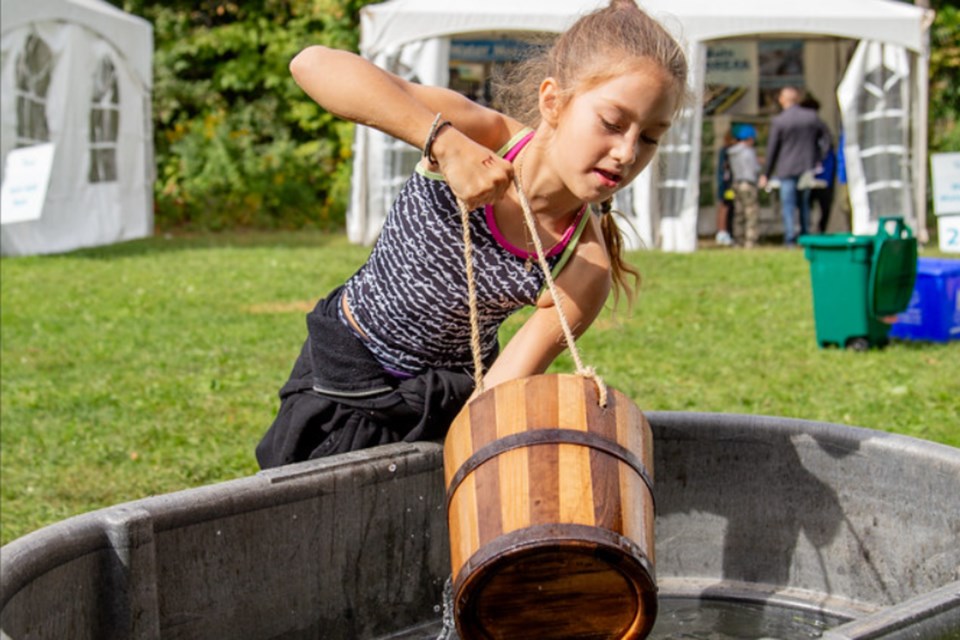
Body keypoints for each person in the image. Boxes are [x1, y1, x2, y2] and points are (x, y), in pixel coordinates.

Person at [255, 0, 689, 468]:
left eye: (649, 138)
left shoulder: (584, 267)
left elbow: (490, 403)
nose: (627, 153)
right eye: (612, 123)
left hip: (437, 412)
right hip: (340, 374)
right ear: (553, 101)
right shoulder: (482, 134)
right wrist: (441, 140)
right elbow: (312, 63)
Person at [758, 86, 832, 246]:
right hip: (806, 167)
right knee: (804, 203)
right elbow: (827, 138)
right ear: (797, 99)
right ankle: (805, 236)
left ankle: (790, 238)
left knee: (788, 205)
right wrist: (819, 158)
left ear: (782, 100)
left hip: (786, 168)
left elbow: (772, 149)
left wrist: (766, 173)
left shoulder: (779, 121)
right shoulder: (811, 117)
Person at [726, 124, 761, 248]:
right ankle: (750, 241)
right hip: (748, 184)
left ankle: (738, 240)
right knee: (751, 213)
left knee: (738, 214)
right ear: (749, 138)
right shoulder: (748, 151)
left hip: (736, 184)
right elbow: (755, 169)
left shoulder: (732, 152)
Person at [715, 130, 736, 246]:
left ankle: (723, 232)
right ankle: (722, 232)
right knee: (724, 207)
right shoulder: (727, 152)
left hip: (725, 184)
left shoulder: (725, 151)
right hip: (726, 185)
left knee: (725, 206)